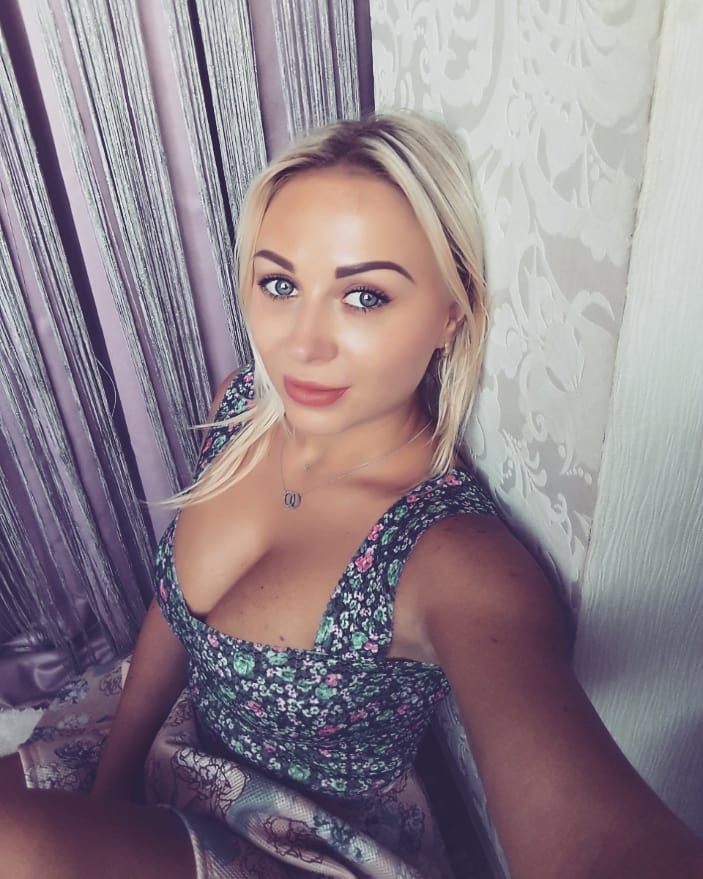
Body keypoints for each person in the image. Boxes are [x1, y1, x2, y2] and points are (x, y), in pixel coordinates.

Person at [0, 111, 701, 879]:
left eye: (364, 296)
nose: (302, 344)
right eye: (279, 284)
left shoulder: (450, 556)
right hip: (176, 742)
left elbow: (597, 840)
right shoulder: (242, 407)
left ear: (451, 310)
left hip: (299, 842)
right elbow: (174, 608)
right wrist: (111, 786)